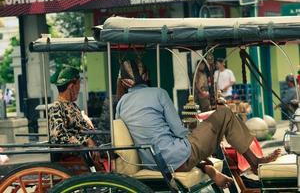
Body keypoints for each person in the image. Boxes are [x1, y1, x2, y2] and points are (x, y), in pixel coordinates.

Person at [116, 59, 281, 189]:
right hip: (174, 158)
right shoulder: (159, 93)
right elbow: (179, 131)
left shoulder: (121, 104)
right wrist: (197, 133)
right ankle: (254, 162)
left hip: (152, 162)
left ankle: (210, 169)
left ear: (124, 82)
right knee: (224, 115)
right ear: (146, 75)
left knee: (193, 144)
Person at [48, 66, 97, 155]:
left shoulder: (72, 105)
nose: (79, 89)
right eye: (78, 85)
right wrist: (86, 140)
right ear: (71, 86)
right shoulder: (57, 107)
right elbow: (57, 137)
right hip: (78, 155)